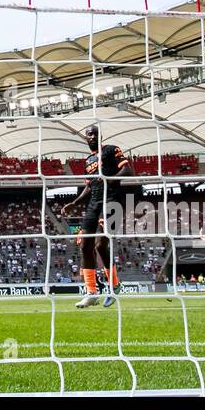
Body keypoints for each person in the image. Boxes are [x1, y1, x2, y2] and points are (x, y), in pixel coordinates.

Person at [61, 125, 129, 309]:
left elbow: (127, 170)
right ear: (85, 138)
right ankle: (91, 292)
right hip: (93, 204)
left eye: (95, 134)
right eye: (89, 134)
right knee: (85, 246)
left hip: (112, 201)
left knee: (100, 245)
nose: (91, 136)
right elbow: (90, 186)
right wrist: (75, 202)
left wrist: (109, 179)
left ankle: (114, 286)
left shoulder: (110, 150)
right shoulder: (88, 160)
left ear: (100, 136)